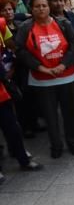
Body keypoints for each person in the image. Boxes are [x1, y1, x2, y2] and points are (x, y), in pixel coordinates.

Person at [15, 0, 74, 158]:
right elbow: (20, 51)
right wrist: (40, 68)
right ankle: (55, 146)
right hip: (42, 79)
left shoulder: (63, 23)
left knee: (70, 113)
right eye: (37, 6)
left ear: (49, 7)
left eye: (44, 5)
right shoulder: (25, 27)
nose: (41, 9)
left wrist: (63, 64)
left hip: (66, 76)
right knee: (50, 116)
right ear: (32, 9)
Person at [0, 11, 41, 182]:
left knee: (12, 127)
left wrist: (11, 65)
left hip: (1, 90)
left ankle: (22, 158)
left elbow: (11, 46)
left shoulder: (1, 24)